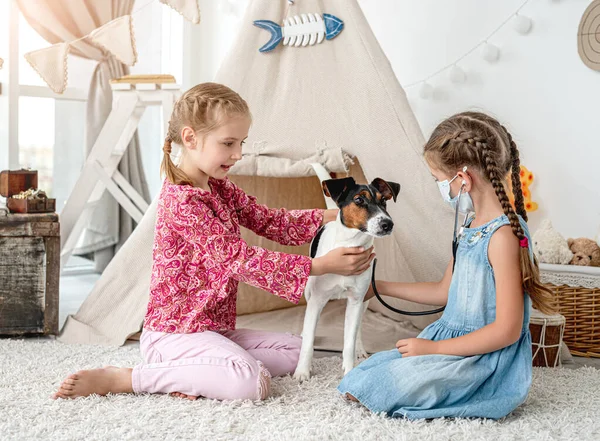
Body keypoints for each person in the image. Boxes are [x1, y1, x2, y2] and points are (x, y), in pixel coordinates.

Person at [53, 83, 374, 401]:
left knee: (297, 349)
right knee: (251, 383)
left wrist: (334, 216)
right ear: (190, 138)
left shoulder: (219, 186)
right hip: (175, 333)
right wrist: (319, 266)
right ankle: (131, 378)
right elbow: (239, 259)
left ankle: (206, 370)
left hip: (213, 328)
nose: (238, 154)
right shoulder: (183, 200)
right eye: (229, 143)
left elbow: (267, 219)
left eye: (241, 143)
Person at [337, 111, 555, 420]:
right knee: (366, 375)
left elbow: (506, 331)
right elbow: (443, 291)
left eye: (439, 180)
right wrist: (378, 287)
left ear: (463, 179)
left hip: (482, 358)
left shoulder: (503, 236)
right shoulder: (468, 224)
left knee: (391, 384)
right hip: (448, 343)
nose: (441, 188)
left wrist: (433, 351)